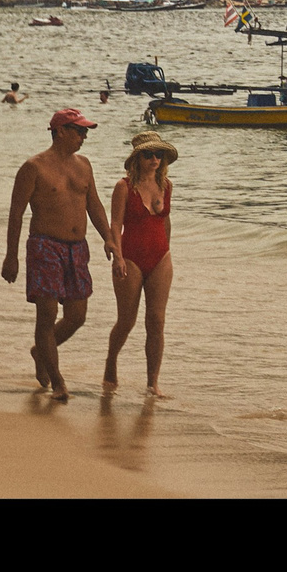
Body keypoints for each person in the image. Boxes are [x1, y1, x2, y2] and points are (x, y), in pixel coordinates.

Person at [2, 108, 116, 401]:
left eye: (85, 131)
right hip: (45, 246)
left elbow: (94, 205)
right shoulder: (33, 167)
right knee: (47, 315)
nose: (84, 137)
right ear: (61, 131)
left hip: (77, 248)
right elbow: (16, 213)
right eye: (80, 131)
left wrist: (109, 238)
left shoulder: (84, 165)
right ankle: (58, 382)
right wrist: (11, 256)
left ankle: (40, 351)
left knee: (77, 316)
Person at [103, 131, 179, 398]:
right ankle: (111, 362)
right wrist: (118, 257)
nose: (154, 159)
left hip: (160, 257)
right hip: (130, 257)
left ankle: (152, 383)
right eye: (148, 154)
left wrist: (167, 251)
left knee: (156, 321)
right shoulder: (124, 187)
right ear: (137, 158)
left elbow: (165, 222)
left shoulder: (166, 185)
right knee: (127, 321)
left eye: (159, 154)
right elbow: (115, 224)